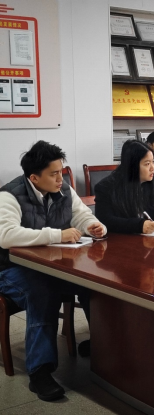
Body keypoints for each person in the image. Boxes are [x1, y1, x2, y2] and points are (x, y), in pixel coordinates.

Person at [0, 141, 106, 401]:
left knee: (93, 283)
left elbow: (81, 215)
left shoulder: (63, 189)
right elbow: (6, 235)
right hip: (9, 269)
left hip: (50, 266)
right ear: (34, 178)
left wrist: (93, 226)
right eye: (54, 173)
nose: (61, 178)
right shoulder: (9, 195)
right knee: (42, 291)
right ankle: (40, 371)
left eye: (61, 171)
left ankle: (104, 347)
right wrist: (57, 234)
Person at [95, 140, 154, 234]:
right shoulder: (106, 187)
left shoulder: (153, 182)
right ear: (132, 166)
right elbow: (105, 220)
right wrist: (139, 225)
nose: (152, 168)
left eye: (153, 162)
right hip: (123, 240)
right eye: (147, 164)